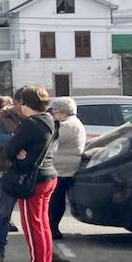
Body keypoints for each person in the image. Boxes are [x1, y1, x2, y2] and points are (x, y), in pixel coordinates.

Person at [3, 85, 58, 262]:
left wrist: (17, 149)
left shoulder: (29, 124)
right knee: (42, 224)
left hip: (32, 179)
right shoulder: (49, 119)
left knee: (32, 224)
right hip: (49, 175)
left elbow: (9, 150)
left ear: (26, 104)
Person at [0, 94, 21, 262]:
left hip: (32, 172)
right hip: (7, 171)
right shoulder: (0, 118)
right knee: (3, 215)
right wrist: (20, 140)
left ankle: (47, 252)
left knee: (39, 217)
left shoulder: (36, 117)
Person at [47, 96, 84, 253]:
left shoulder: (68, 125)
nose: (53, 114)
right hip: (63, 167)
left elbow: (51, 139)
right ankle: (52, 227)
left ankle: (53, 227)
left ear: (63, 111)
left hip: (64, 169)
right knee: (57, 199)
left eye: (54, 111)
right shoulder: (69, 123)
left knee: (56, 200)